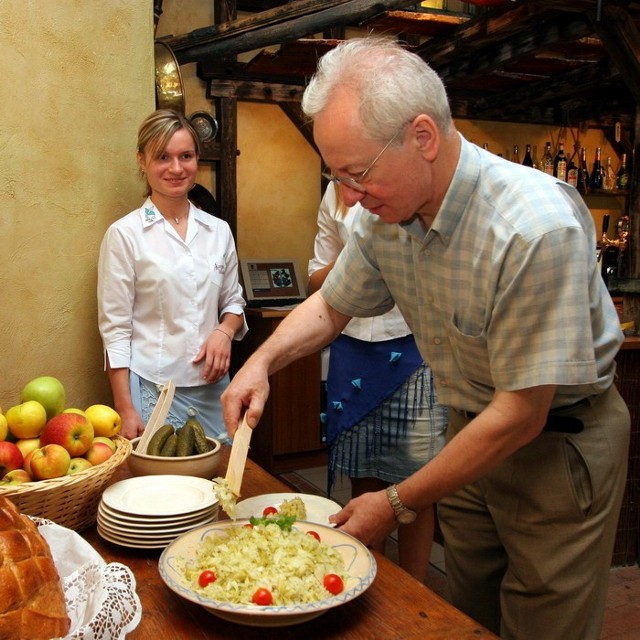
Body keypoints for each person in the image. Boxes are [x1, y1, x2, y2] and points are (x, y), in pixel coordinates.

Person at [221, 38, 630, 640]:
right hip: (465, 431)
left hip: (556, 448)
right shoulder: (383, 216)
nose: (351, 196)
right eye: (339, 178)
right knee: (467, 611)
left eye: (357, 174)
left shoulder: (532, 228)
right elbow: (332, 306)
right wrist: (261, 363)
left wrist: (394, 502)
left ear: (423, 137)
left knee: (546, 621)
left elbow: (521, 414)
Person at [309, 181, 447, 582]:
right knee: (364, 475)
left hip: (413, 346)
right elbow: (316, 275)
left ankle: (415, 589)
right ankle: (374, 583)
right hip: (352, 348)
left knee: (415, 481)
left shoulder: (408, 187)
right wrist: (357, 261)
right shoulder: (335, 193)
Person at [98, 109, 247, 442]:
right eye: (163, 157)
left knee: (217, 484)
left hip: (214, 390)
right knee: (163, 489)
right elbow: (116, 329)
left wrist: (224, 331)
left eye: (186, 156)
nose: (176, 168)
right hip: (154, 388)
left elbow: (234, 301)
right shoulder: (125, 235)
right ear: (142, 160)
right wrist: (126, 410)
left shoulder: (218, 231)